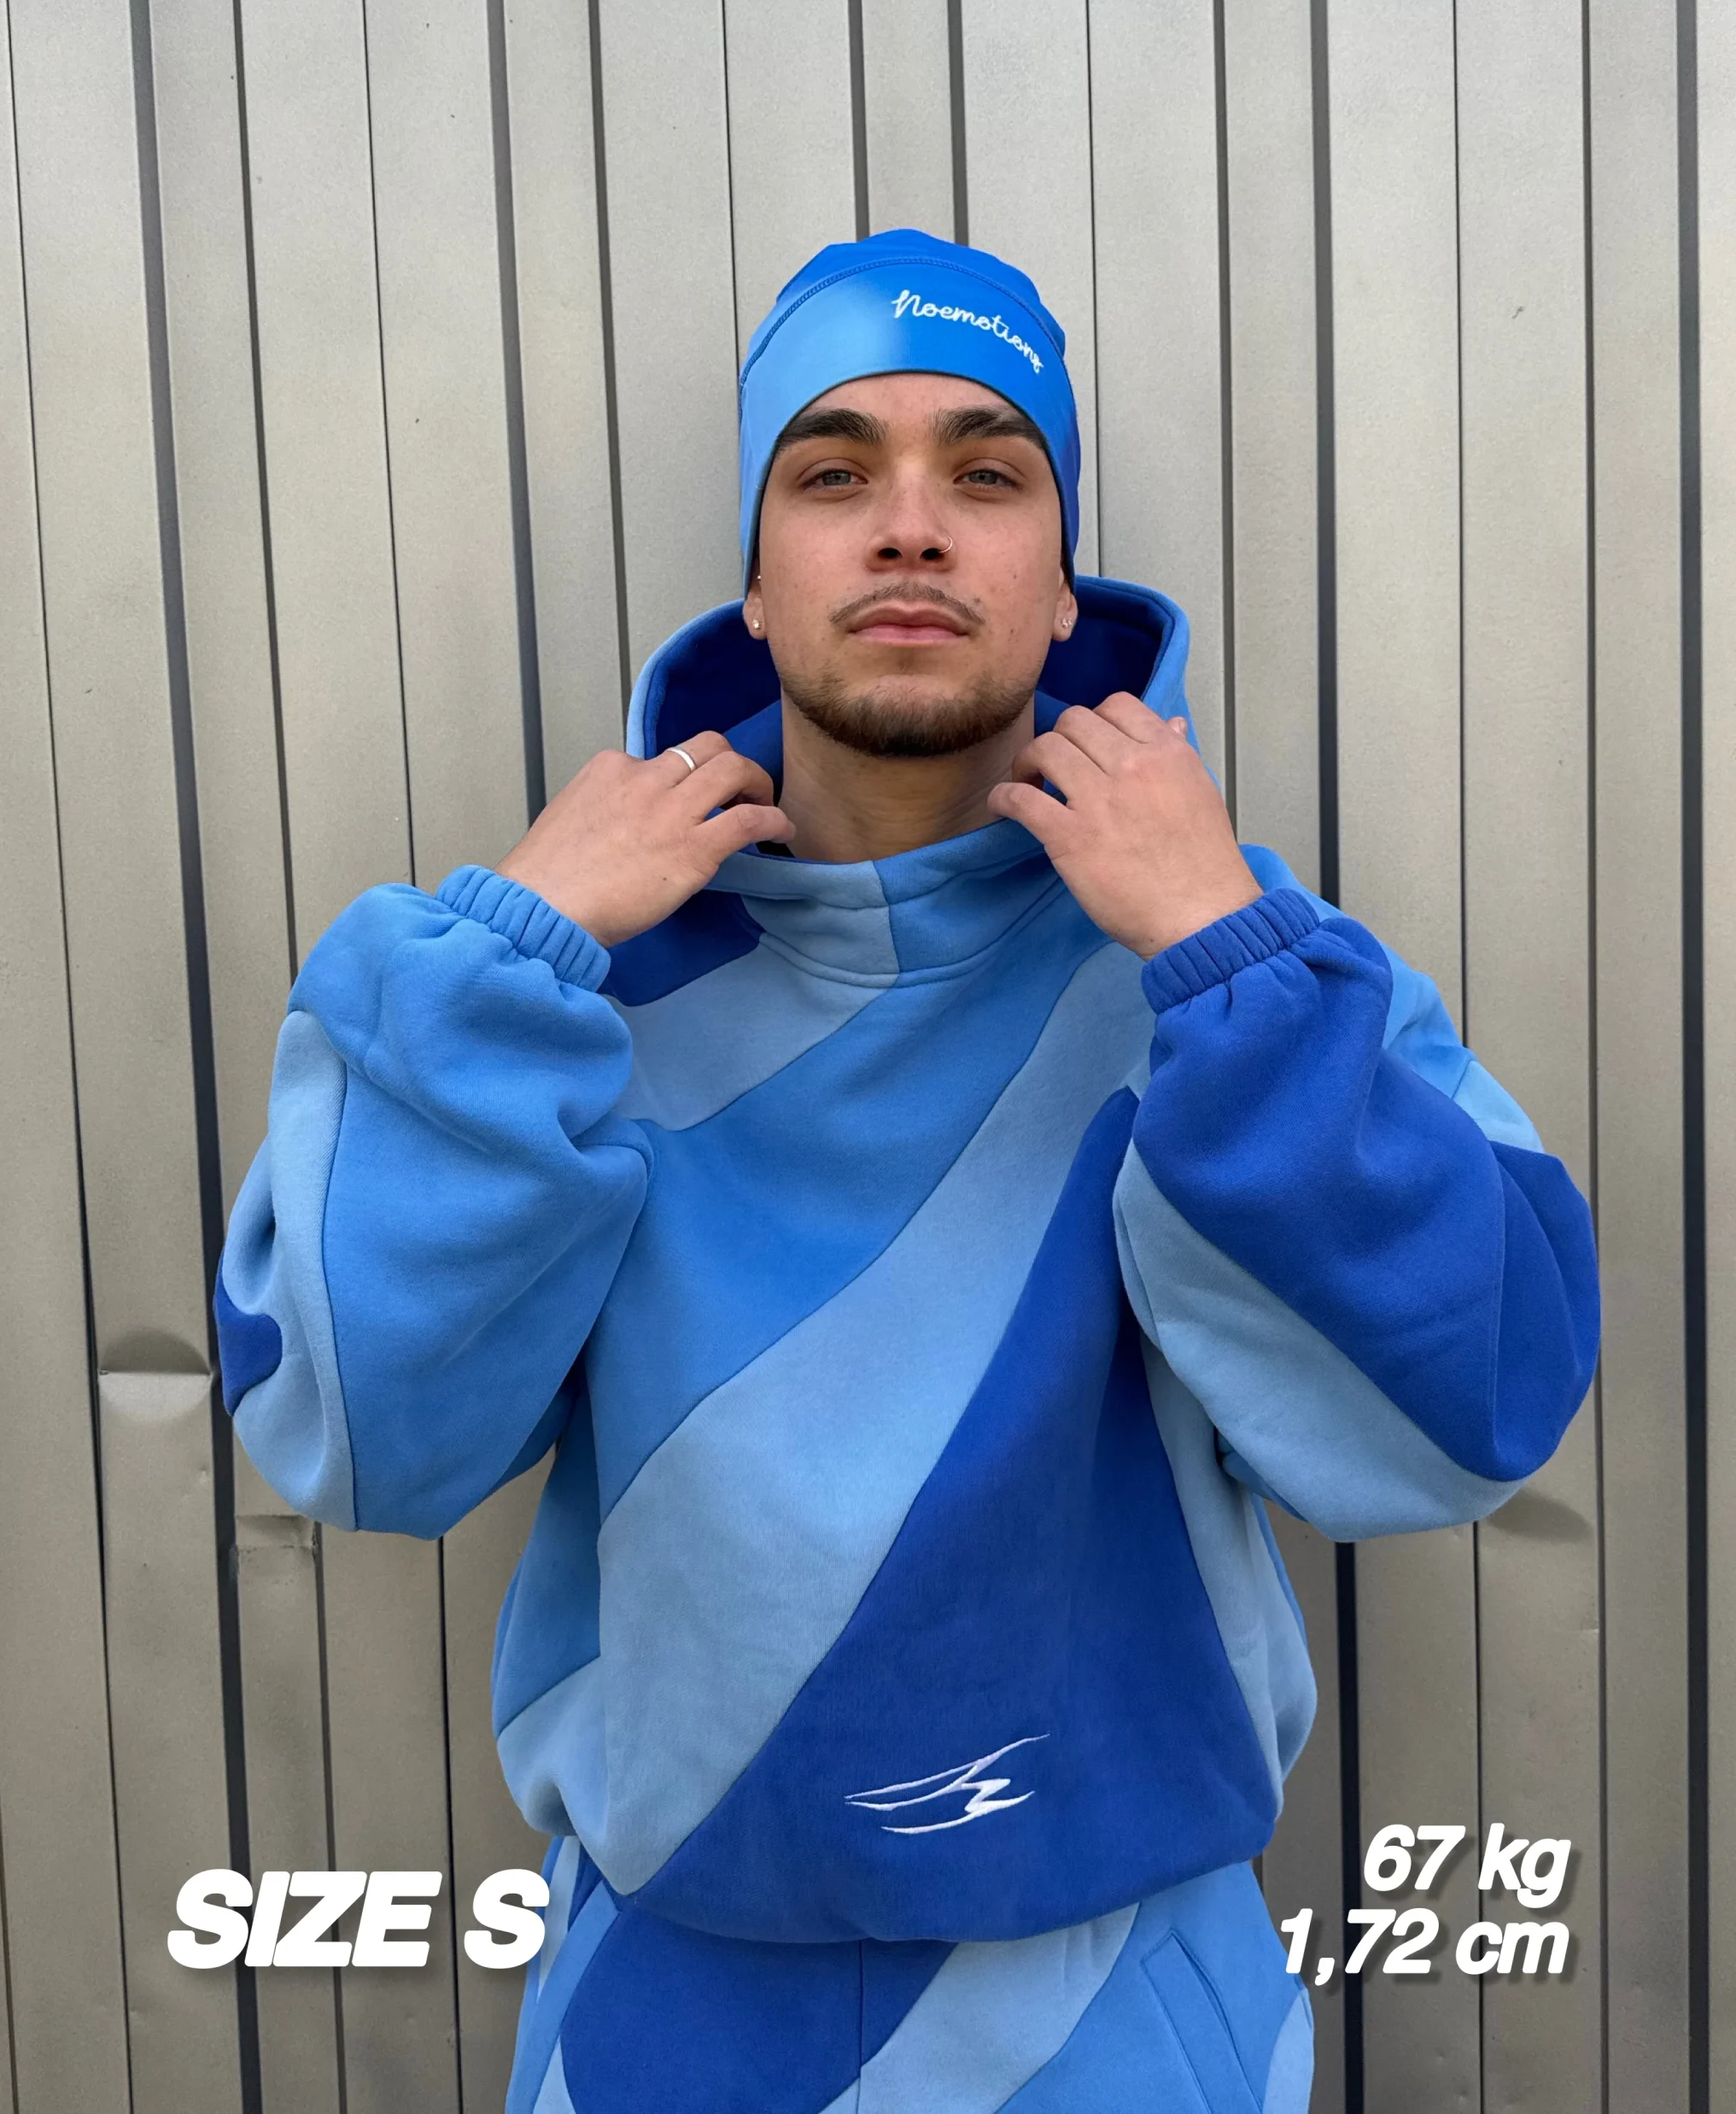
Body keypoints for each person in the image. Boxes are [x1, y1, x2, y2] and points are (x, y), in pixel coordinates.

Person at [215, 229, 1599, 2113]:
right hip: (665, 2020)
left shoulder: (1229, 962)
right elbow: (349, 1435)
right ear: (757, 575)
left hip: (1126, 2015)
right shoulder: (558, 981)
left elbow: (1474, 1413)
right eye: (833, 470)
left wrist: (1224, 958)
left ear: (1059, 576)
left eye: (987, 471)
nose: (911, 527)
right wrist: (509, 952)